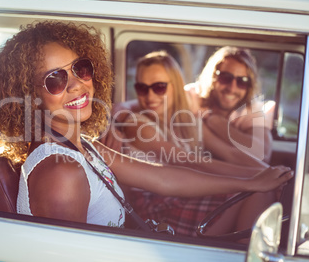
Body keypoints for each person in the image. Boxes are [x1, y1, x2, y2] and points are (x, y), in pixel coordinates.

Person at [0, 21, 292, 234]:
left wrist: (254, 182)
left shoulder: (81, 145)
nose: (77, 85)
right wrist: (252, 179)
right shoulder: (59, 171)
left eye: (80, 68)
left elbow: (164, 178)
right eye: (56, 79)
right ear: (28, 97)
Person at [104, 50, 279, 236]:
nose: (150, 96)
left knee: (261, 192)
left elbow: (231, 153)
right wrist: (258, 177)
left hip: (185, 194)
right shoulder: (138, 124)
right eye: (142, 88)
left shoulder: (189, 121)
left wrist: (270, 174)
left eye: (159, 87)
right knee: (257, 192)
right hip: (158, 207)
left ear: (176, 87)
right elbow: (188, 162)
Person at [185, 46, 275, 166]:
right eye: (225, 78)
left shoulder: (252, 109)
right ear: (212, 77)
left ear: (250, 85)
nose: (232, 88)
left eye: (242, 81)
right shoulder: (191, 96)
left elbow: (263, 155)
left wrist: (216, 122)